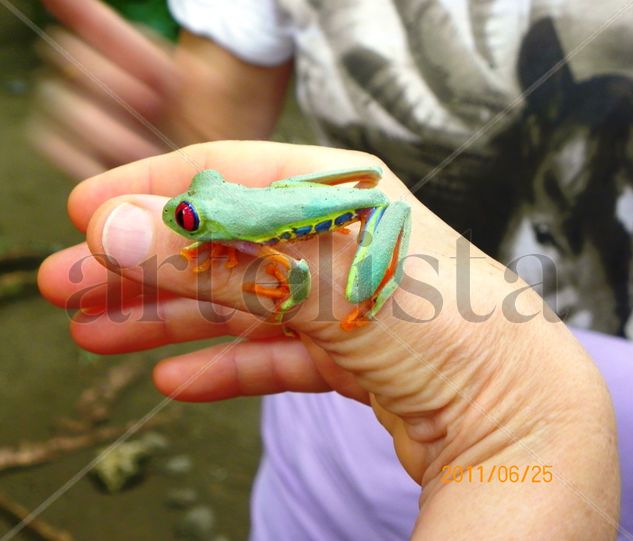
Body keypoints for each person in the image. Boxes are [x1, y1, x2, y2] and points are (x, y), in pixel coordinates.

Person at [33, 0, 632, 538]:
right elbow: (216, 148)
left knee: (354, 260)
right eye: (191, 211)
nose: (183, 219)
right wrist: (174, 127)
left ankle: (368, 294)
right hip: (325, 408)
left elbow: (293, 278)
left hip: (591, 432)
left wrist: (529, 430)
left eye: (189, 218)